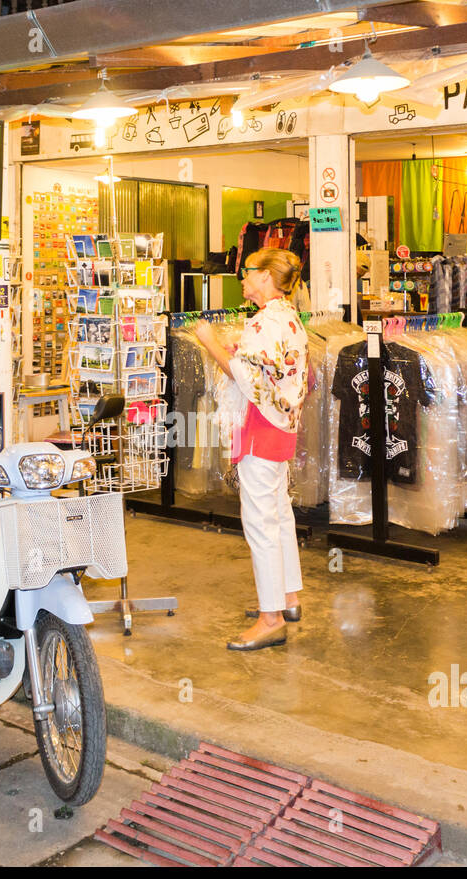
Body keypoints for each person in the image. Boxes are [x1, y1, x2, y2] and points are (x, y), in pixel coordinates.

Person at [194, 248, 309, 651]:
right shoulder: (289, 317)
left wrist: (210, 342)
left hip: (259, 428)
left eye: (246, 272)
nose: (241, 279)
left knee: (260, 522)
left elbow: (244, 377)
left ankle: (271, 617)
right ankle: (288, 597)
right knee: (278, 514)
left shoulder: (264, 323)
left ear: (264, 277)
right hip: (280, 428)